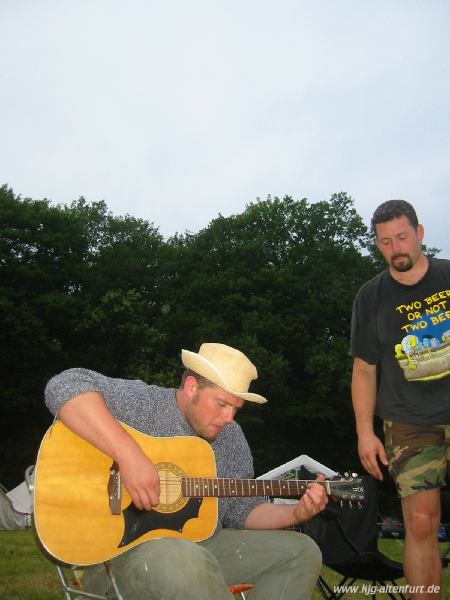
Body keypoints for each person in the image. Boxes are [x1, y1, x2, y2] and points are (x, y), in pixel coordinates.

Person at [45, 342, 328, 599]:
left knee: (301, 552)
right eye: (222, 404)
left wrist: (295, 513)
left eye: (236, 409)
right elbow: (65, 385)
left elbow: (242, 510)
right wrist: (129, 455)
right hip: (122, 552)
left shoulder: (231, 439)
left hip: (203, 547)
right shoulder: (145, 404)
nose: (229, 418)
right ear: (192, 387)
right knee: (184, 559)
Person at [350, 200, 450, 599]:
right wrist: (364, 432)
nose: (396, 248)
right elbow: (363, 369)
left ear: (420, 233)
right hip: (409, 422)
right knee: (422, 523)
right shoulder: (370, 296)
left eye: (403, 237)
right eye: (385, 242)